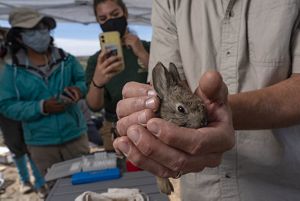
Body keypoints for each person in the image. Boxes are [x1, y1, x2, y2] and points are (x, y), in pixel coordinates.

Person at [114, 0, 300, 201]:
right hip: (199, 187)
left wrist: (222, 111)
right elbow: (169, 76)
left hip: (277, 186)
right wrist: (144, 112)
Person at [0, 7, 90, 186]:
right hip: (41, 143)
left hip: (75, 136)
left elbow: (84, 81)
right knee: (56, 189)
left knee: (87, 183)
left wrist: (79, 90)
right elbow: (6, 105)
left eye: (43, 29)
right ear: (19, 37)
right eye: (32, 31)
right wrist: (41, 107)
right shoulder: (12, 70)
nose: (40, 35)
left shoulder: (67, 60)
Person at [85, 0, 150, 151]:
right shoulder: (97, 60)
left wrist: (141, 53)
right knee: (121, 173)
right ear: (98, 22)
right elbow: (94, 106)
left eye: (115, 14)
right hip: (115, 128)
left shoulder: (147, 48)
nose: (110, 21)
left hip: (149, 121)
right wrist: (98, 81)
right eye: (103, 18)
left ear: (125, 13)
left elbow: (165, 82)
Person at [0, 27, 46, 195]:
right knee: (15, 146)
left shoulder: (14, 56)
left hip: (26, 105)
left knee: (30, 144)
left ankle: (40, 181)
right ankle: (25, 180)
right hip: (5, 111)